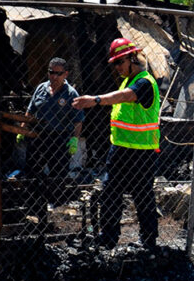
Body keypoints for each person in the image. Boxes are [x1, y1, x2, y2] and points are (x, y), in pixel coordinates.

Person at [72, 38, 161, 250]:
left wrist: (96, 100)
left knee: (142, 194)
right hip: (120, 148)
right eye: (115, 63)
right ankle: (109, 237)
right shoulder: (127, 80)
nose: (118, 67)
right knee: (111, 191)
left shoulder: (144, 82)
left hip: (141, 151)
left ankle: (148, 239)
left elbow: (126, 97)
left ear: (132, 58)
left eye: (120, 62)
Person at [25, 57, 85, 216]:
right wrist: (23, 130)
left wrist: (74, 139)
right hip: (39, 136)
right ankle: (36, 205)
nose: (54, 77)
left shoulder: (71, 94)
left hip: (60, 138)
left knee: (57, 174)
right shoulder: (40, 89)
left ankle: (54, 207)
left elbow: (78, 121)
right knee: (33, 171)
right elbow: (30, 111)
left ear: (66, 74)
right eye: (51, 72)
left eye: (58, 73)